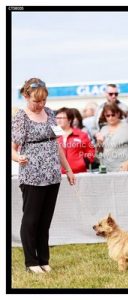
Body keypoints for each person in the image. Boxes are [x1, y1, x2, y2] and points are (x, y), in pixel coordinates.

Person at [12, 78, 76, 274]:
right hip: (32, 175)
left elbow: (56, 144)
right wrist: (18, 158)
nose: (40, 105)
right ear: (26, 96)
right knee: (31, 219)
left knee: (45, 220)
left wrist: (68, 169)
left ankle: (44, 259)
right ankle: (31, 262)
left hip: (52, 174)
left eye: (43, 101)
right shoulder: (20, 117)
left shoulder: (50, 114)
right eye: (36, 101)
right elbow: (11, 148)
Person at [95, 103, 128, 172]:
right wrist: (99, 143)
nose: (110, 117)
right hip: (106, 169)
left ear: (118, 114)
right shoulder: (103, 129)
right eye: (108, 115)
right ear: (104, 116)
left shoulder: (125, 127)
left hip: (122, 169)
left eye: (113, 115)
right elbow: (99, 152)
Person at [56, 107, 95, 173]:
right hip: (58, 175)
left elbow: (90, 150)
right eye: (57, 118)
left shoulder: (81, 134)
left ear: (69, 120)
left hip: (79, 173)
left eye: (62, 118)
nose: (59, 120)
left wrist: (85, 161)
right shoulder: (51, 135)